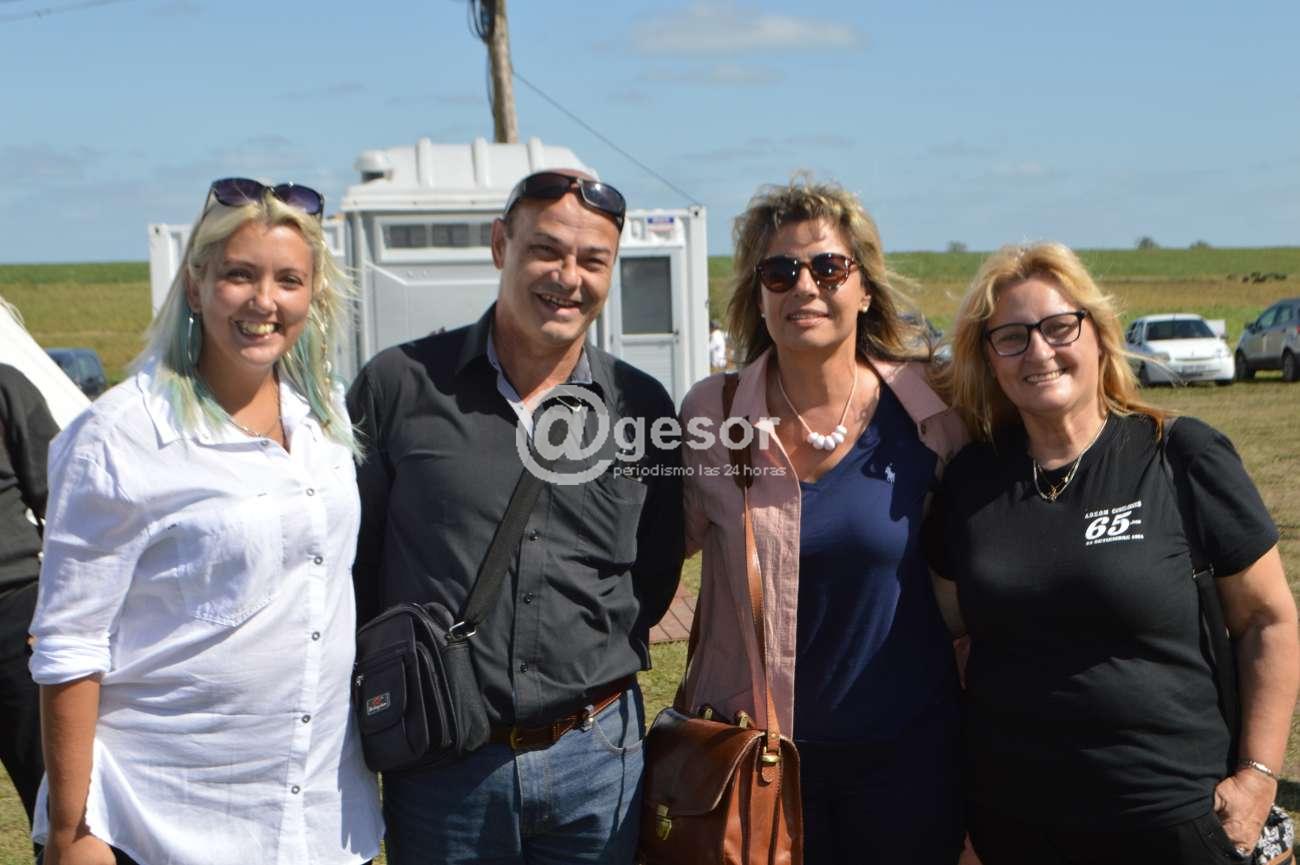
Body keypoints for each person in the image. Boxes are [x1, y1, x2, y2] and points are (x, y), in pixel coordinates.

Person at [28, 179, 383, 865]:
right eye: (239, 275)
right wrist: (72, 833)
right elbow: (69, 644)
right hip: (164, 825)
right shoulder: (121, 435)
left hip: (322, 823)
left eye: (288, 280)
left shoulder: (325, 419)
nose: (264, 301)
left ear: (313, 295)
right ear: (196, 286)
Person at [347, 168, 685, 865]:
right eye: (546, 250)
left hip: (599, 761)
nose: (568, 277)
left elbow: (652, 575)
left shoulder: (642, 406)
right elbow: (356, 568)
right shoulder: (398, 386)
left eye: (593, 260)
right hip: (443, 768)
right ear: (501, 244)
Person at [929, 241, 1299, 865]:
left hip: (1172, 818)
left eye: (1058, 327)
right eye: (1012, 337)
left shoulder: (1180, 455)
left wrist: (1259, 777)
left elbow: (1268, 619)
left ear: (1098, 334)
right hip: (1015, 823)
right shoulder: (969, 483)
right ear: (988, 359)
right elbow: (945, 633)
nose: (1039, 352)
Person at [676, 177, 969, 864]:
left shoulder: (932, 408)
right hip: (758, 765)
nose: (804, 287)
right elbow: (649, 555)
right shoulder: (711, 415)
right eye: (779, 273)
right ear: (759, 296)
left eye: (828, 267)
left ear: (864, 288)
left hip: (908, 764)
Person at [0, 360, 58, 847]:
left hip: (15, 615)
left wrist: (57, 613)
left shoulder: (5, 387)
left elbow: (64, 505)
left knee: (56, 800)